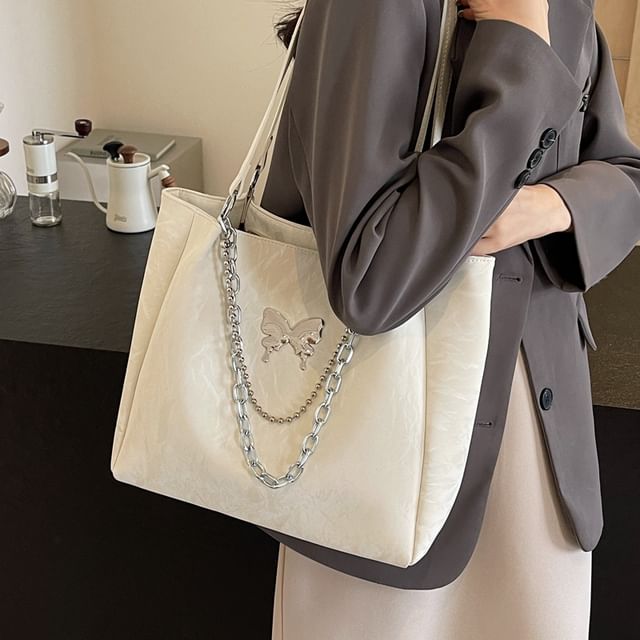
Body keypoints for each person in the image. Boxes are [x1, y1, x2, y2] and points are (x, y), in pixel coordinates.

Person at [258, 0, 640, 637]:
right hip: (380, 443)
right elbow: (371, 279)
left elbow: (626, 177)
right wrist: (521, 46)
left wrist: (550, 205)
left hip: (534, 441)